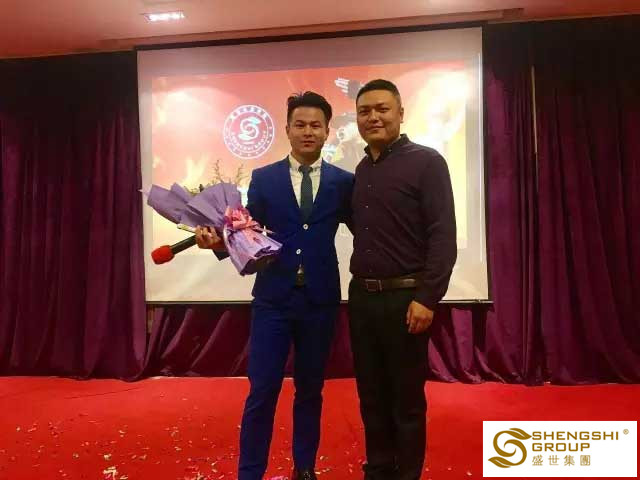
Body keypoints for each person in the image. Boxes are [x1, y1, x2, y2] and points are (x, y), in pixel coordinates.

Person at [195, 92, 353, 480]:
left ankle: (305, 468)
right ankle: (250, 472)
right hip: (272, 300)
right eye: (300, 124)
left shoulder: (343, 182)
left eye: (315, 125)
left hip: (320, 300)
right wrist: (218, 242)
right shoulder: (264, 178)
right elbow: (245, 233)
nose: (307, 132)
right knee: (262, 390)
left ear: (327, 131)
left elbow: (366, 229)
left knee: (310, 390)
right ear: (286, 129)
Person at [348, 79, 457, 480]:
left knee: (407, 400)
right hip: (362, 299)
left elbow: (443, 237)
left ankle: (407, 474)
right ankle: (378, 469)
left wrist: (428, 298)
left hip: (407, 300)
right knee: (371, 395)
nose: (373, 117)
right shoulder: (361, 170)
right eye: (364, 111)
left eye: (382, 109)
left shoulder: (427, 162)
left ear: (400, 113)